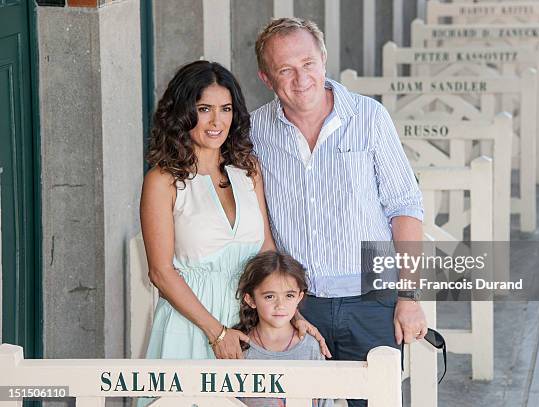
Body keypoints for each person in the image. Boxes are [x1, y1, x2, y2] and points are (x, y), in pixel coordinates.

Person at [249, 18, 427, 406]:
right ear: (266, 78)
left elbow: (405, 208)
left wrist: (409, 296)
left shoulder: (369, 117)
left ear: (324, 60)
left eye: (308, 63)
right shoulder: (255, 131)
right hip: (296, 306)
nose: (301, 78)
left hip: (372, 301)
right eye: (285, 69)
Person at [139, 60, 328, 370]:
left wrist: (294, 317)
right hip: (191, 326)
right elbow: (160, 273)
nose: (217, 121)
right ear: (182, 113)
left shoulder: (248, 169)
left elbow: (266, 249)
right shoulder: (163, 180)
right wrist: (217, 332)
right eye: (204, 109)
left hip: (250, 321)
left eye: (225, 109)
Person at [235, 251, 334, 407]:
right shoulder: (241, 348)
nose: (280, 305)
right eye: (269, 296)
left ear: (299, 297)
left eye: (289, 295)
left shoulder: (310, 346)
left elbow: (323, 401)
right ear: (251, 300)